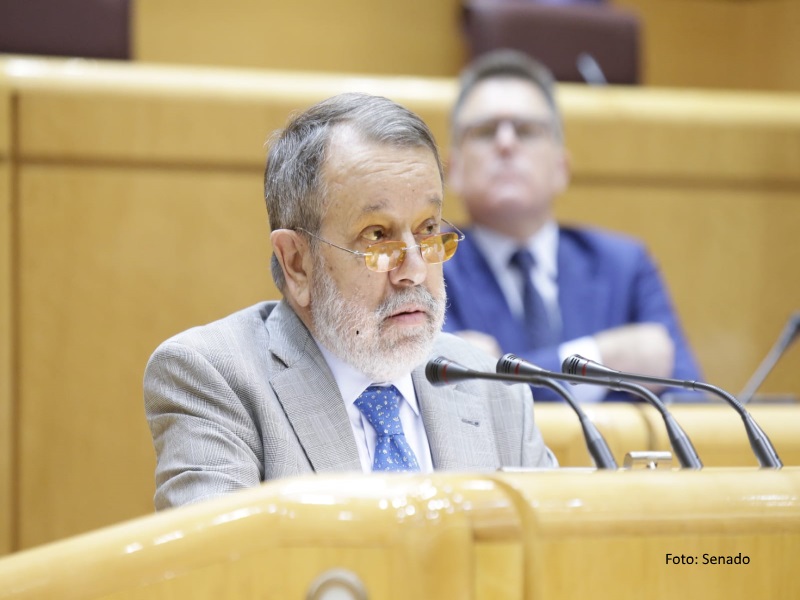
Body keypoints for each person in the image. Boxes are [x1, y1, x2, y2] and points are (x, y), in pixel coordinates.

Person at [144, 92, 556, 511]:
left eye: (428, 227)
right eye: (377, 235)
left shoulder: (494, 389)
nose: (413, 269)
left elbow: (555, 562)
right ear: (297, 263)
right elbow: (222, 570)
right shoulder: (216, 379)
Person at [443, 49, 702, 402]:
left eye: (526, 130)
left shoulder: (625, 265)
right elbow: (450, 398)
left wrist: (496, 376)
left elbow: (689, 401)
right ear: (453, 169)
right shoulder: (428, 267)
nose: (506, 143)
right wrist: (598, 360)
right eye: (486, 132)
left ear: (561, 167)